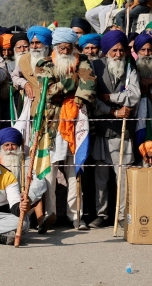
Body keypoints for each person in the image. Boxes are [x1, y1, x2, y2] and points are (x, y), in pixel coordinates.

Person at [34, 27, 96, 229]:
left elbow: (89, 84)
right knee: (50, 171)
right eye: (62, 48)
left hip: (76, 121)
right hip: (52, 123)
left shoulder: (83, 61)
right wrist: (72, 81)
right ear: (55, 47)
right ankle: (51, 213)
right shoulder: (44, 63)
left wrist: (77, 95)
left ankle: (76, 216)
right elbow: (49, 91)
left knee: (74, 170)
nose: (65, 51)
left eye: (69, 48)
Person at [89, 30, 139, 227]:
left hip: (123, 131)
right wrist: (112, 111)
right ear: (106, 51)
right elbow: (92, 98)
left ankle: (121, 215)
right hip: (102, 128)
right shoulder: (95, 66)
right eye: (114, 50)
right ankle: (102, 214)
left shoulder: (129, 67)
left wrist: (110, 98)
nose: (118, 54)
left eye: (121, 50)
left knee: (123, 176)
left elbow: (134, 96)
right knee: (101, 176)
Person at [0, 127, 52, 233]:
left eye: (13, 144)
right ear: (1, 147)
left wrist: (28, 195)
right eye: (6, 145)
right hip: (2, 202)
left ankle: (41, 223)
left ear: (18, 146)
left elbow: (40, 181)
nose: (10, 148)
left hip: (24, 203)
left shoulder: (28, 162)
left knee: (36, 192)